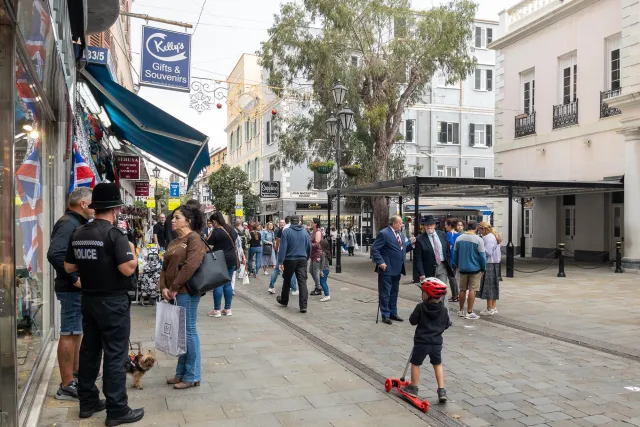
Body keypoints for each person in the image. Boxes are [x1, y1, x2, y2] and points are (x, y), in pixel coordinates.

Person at [63, 183, 143, 425]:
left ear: (95, 207)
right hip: (113, 302)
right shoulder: (114, 234)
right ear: (116, 209)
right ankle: (117, 409)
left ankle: (87, 402)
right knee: (115, 355)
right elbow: (127, 267)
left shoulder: (78, 233)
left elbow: (69, 267)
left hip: (89, 300)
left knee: (89, 352)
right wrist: (133, 251)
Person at [47, 187, 94, 401]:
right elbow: (54, 254)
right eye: (92, 203)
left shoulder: (76, 223)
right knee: (69, 332)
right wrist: (75, 280)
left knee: (75, 332)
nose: (94, 207)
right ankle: (66, 384)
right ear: (83, 204)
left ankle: (74, 375)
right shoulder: (68, 223)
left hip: (75, 290)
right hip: (70, 289)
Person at [160, 202, 207, 390]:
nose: (173, 220)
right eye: (173, 217)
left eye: (177, 217)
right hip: (173, 292)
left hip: (186, 292)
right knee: (181, 334)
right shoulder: (173, 241)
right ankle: (181, 373)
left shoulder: (194, 239)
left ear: (188, 220)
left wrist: (174, 286)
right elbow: (165, 267)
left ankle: (193, 375)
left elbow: (191, 266)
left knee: (188, 331)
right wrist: (163, 287)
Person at [401, 278, 450, 403]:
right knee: (437, 364)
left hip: (421, 342)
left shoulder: (420, 307)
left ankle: (413, 387)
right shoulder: (444, 310)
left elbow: (413, 321)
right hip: (436, 343)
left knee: (416, 364)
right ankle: (441, 390)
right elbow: (447, 324)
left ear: (427, 294)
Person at [371, 215, 415, 325]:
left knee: (394, 292)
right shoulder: (384, 233)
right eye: (400, 223)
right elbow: (375, 249)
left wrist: (411, 245)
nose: (401, 225)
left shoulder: (400, 233)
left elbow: (402, 249)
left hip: (398, 268)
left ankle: (393, 313)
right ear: (394, 224)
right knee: (385, 292)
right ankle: (385, 315)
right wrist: (380, 262)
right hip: (387, 268)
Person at [206, 211, 239, 317]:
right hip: (232, 259)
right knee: (228, 283)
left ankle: (217, 310)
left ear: (215, 221)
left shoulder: (215, 232)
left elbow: (208, 248)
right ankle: (228, 309)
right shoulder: (231, 230)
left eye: (212, 222)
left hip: (220, 260)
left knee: (218, 284)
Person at [452, 221, 487, 320]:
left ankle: (461, 310)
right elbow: (483, 256)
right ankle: (469, 311)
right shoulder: (478, 240)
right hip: (475, 268)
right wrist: (483, 267)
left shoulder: (459, 238)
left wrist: (457, 265)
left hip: (462, 268)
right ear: (476, 228)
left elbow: (455, 254)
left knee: (462, 289)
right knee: (472, 289)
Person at [276, 216, 311, 313]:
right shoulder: (305, 232)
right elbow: (309, 247)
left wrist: (280, 261)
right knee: (302, 282)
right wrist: (307, 257)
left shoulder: (286, 232)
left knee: (287, 280)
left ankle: (284, 300)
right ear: (299, 222)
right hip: (302, 259)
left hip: (290, 259)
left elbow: (283, 247)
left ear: (290, 222)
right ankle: (303, 306)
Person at [414, 215, 454, 287]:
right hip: (428, 269)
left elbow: (447, 251)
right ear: (424, 226)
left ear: (434, 225)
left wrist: (449, 264)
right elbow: (418, 259)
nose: (429, 227)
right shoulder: (420, 239)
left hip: (442, 266)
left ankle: (442, 299)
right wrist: (421, 273)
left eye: (431, 224)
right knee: (431, 292)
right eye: (427, 225)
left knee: (442, 289)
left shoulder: (442, 234)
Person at [477, 222, 502, 316]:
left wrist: (478, 249)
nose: (479, 231)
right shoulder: (493, 235)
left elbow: (487, 252)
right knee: (494, 286)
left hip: (489, 263)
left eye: (480, 229)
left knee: (489, 286)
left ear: (483, 229)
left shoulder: (488, 237)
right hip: (495, 263)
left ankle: (489, 308)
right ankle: (493, 307)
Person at [269, 217, 298, 295]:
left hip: (281, 251)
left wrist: (277, 248)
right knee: (292, 270)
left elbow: (278, 240)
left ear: (285, 222)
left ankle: (271, 286)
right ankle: (294, 288)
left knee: (277, 269)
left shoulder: (282, 229)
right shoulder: (293, 229)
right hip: (291, 252)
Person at [444, 219, 461, 302]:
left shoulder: (448, 234)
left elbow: (450, 243)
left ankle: (455, 295)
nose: (445, 226)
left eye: (446, 225)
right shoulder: (458, 234)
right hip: (456, 258)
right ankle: (456, 295)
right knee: (453, 276)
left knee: (451, 277)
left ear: (450, 226)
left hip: (450, 258)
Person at [309, 218, 324, 296]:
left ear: (315, 224)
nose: (311, 223)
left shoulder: (318, 232)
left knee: (315, 271)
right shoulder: (313, 231)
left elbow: (317, 243)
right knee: (311, 270)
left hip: (317, 254)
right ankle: (318, 285)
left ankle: (318, 288)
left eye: (312, 222)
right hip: (313, 254)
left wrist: (309, 245)